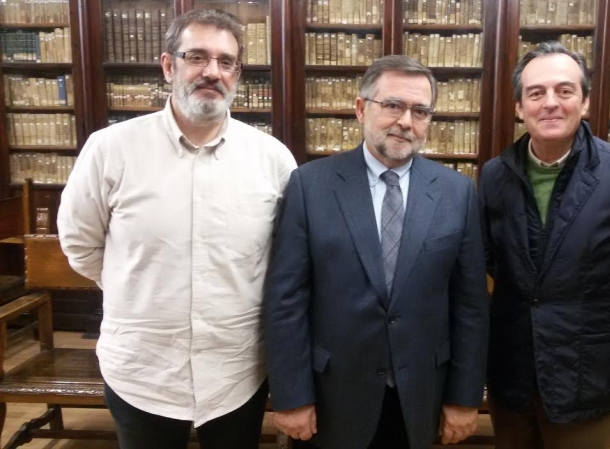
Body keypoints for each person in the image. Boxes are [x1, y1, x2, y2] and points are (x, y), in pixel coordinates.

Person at [57, 9, 296, 449]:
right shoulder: (111, 149)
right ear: (169, 66)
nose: (212, 72)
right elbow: (79, 244)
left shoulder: (272, 159)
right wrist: (138, 288)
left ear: (237, 74)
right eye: (197, 57)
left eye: (226, 62)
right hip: (142, 372)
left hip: (235, 371)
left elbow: (285, 257)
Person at [265, 54, 490, 449]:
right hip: (331, 396)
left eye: (420, 111)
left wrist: (463, 397)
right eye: (393, 105)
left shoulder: (457, 193)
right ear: (360, 109)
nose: (406, 121)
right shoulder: (310, 186)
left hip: (420, 395)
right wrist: (292, 395)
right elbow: (286, 301)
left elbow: (470, 306)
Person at [478, 41, 610, 449]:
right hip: (511, 369)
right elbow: (491, 257)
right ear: (519, 107)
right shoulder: (495, 175)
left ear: (584, 102)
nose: (550, 102)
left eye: (564, 90)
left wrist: (596, 314)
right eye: (536, 93)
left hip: (586, 372)